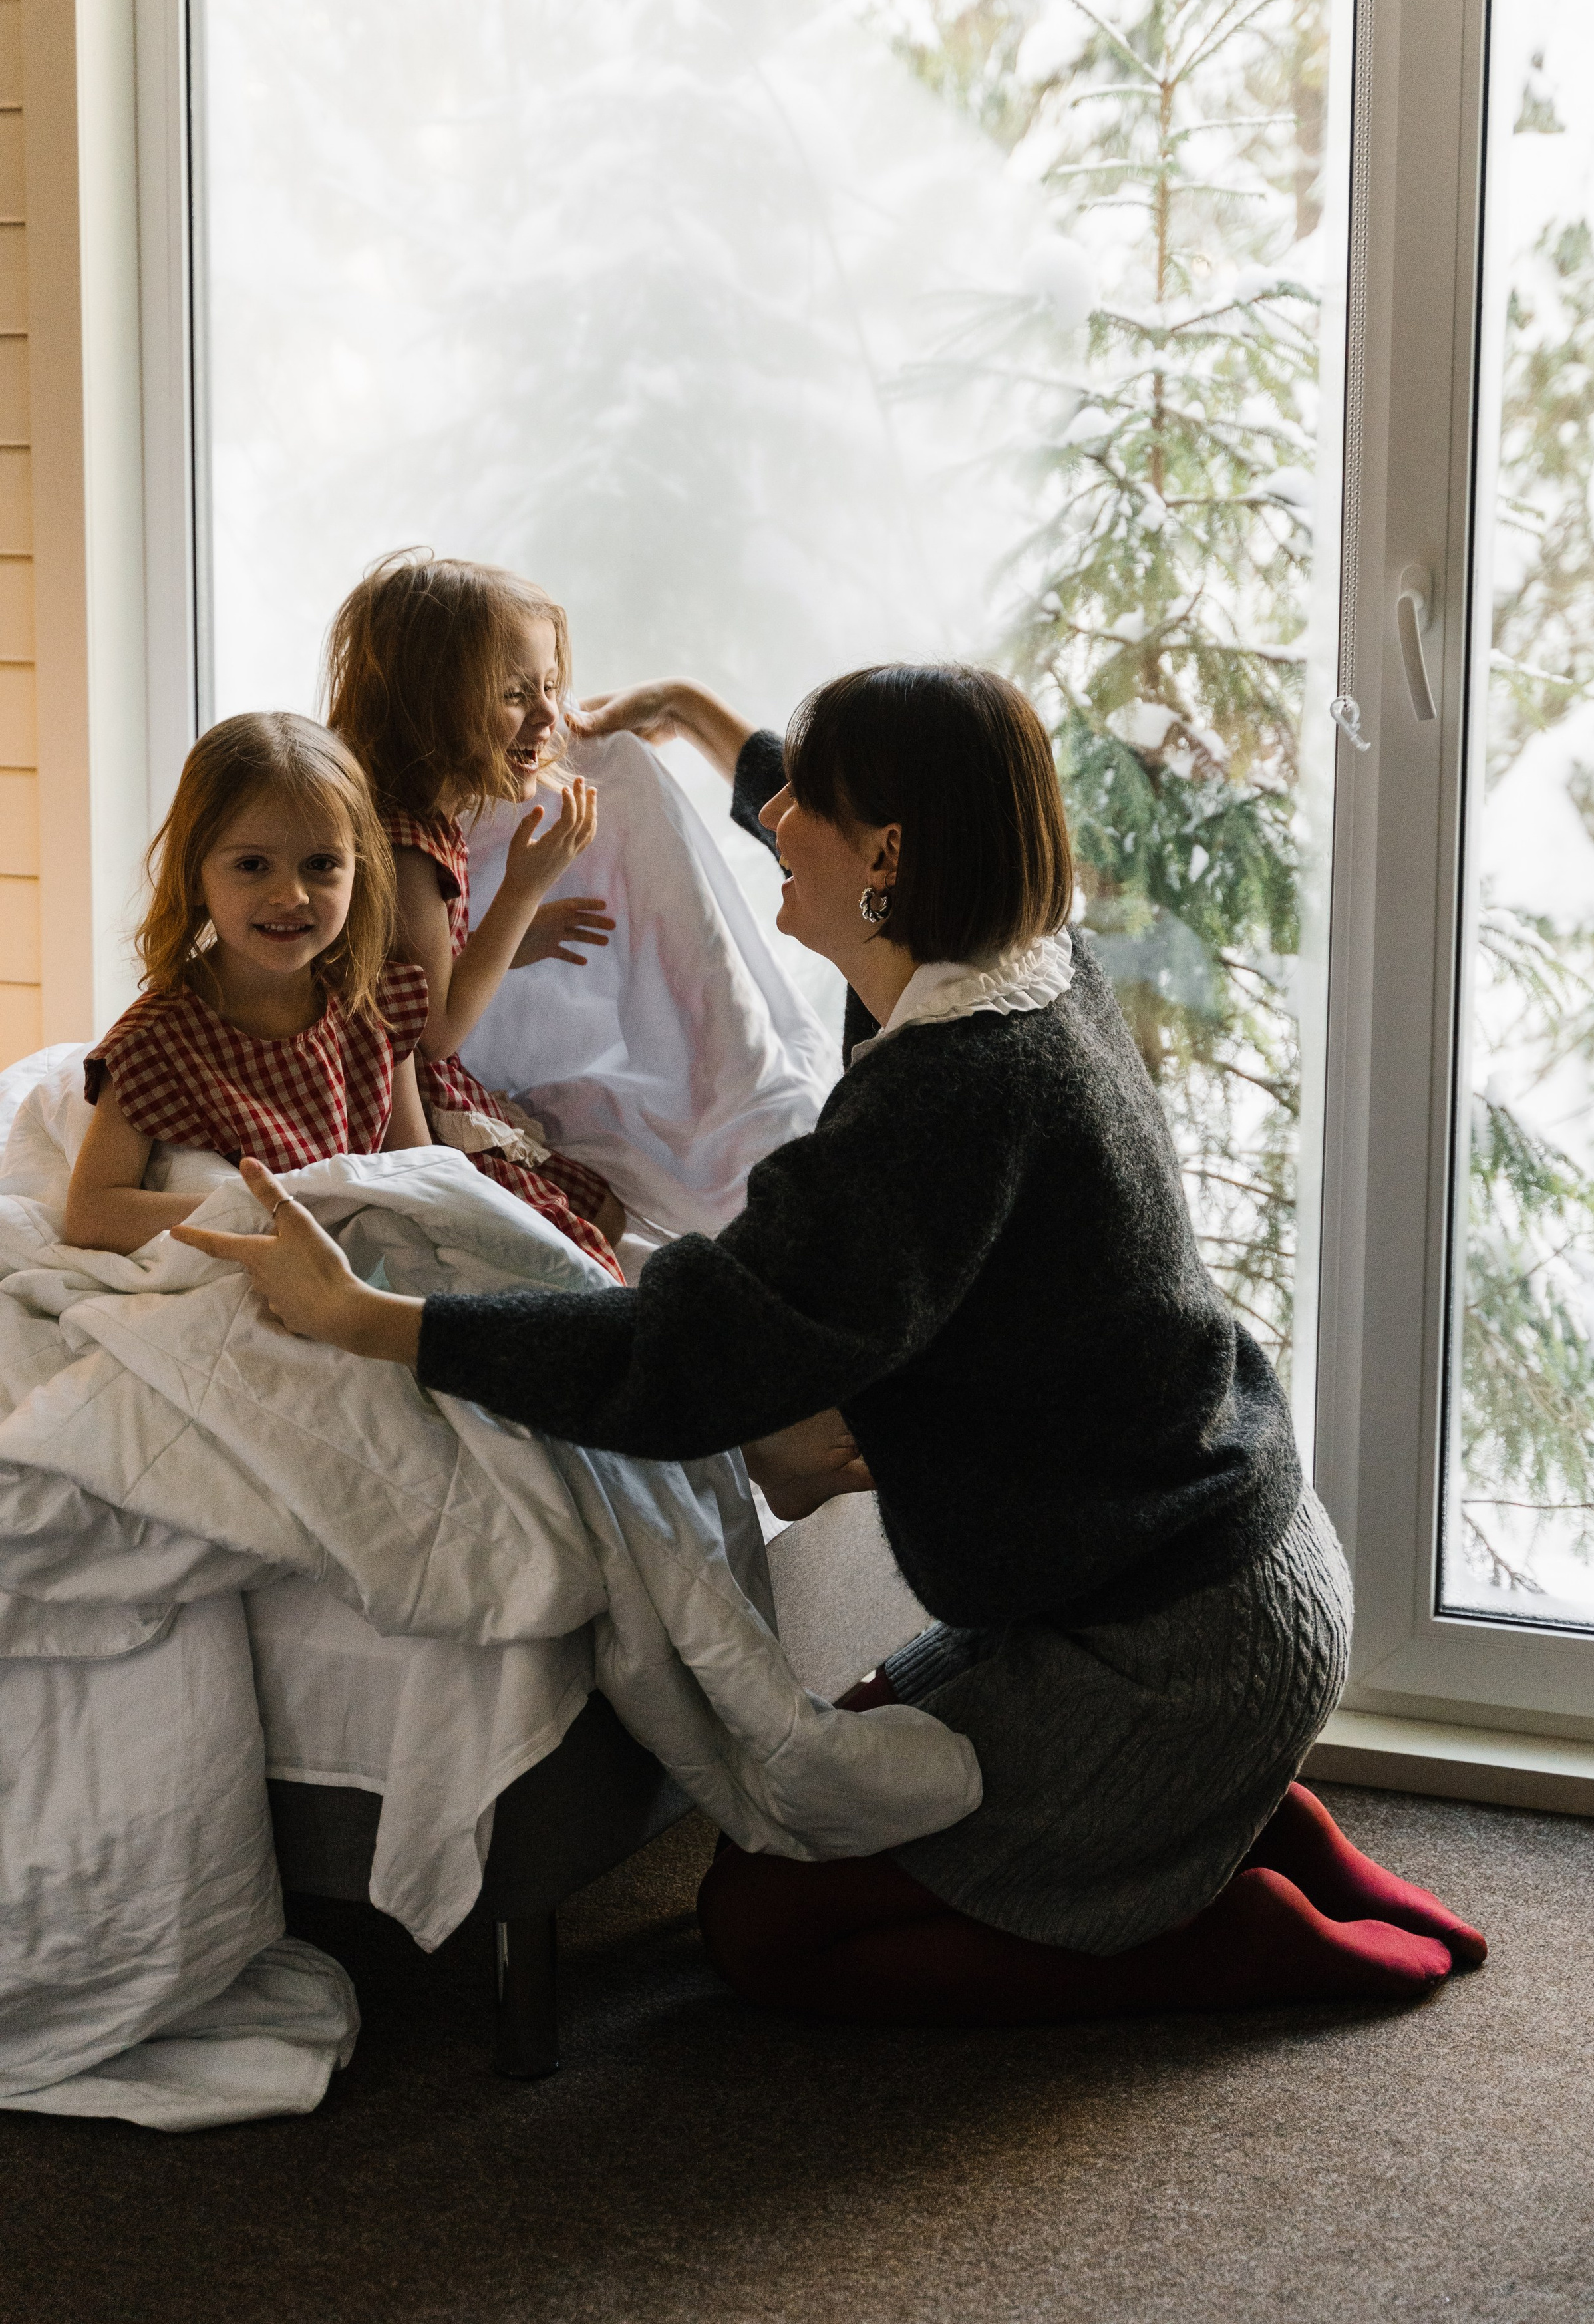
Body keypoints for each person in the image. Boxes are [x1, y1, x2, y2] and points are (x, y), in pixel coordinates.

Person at [175, 663, 1488, 2025]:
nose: (772, 817)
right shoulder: (1019, 967)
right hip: (1215, 1565)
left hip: (1170, 1655)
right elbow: (856, 830)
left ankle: (1210, 1927)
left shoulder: (948, 1096)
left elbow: (676, 1361)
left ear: (889, 853)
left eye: (804, 796)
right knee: (828, 1774)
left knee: (762, 1924)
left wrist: (369, 1317)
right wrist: (693, 719)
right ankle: (1242, 1826)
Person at [325, 549, 625, 1279]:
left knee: (607, 1205)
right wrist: (523, 891)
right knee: (586, 1252)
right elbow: (436, 1030)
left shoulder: (414, 818)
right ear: (430, 705)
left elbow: (407, 968)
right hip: (403, 1105)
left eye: (551, 686)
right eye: (516, 694)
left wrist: (519, 937)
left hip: (417, 1078)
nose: (552, 714)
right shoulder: (405, 851)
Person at [66, 711, 434, 1255]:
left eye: (320, 863)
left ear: (359, 870)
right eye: (253, 865)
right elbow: (91, 1216)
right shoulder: (157, 1042)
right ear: (194, 875)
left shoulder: (375, 1000)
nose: (291, 894)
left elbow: (419, 1172)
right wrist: (280, 1209)